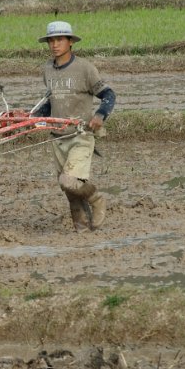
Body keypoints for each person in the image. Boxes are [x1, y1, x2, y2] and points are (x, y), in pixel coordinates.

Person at [32, 21, 116, 232]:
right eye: (51, 40)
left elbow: (108, 95)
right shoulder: (47, 70)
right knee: (69, 190)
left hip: (80, 135)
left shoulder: (84, 69)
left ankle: (97, 199)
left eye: (60, 39)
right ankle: (81, 230)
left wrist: (99, 115)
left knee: (69, 181)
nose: (54, 44)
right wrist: (31, 117)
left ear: (70, 42)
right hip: (57, 137)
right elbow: (51, 102)